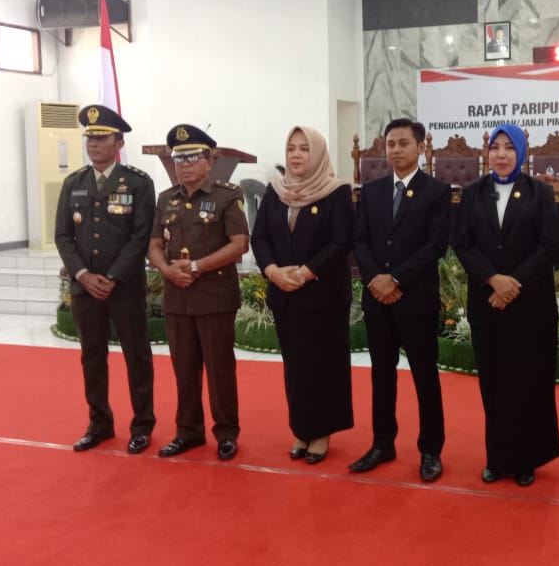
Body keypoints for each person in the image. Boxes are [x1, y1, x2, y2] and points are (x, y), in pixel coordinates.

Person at [452, 123, 559, 486]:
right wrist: (492, 279)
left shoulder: (540, 192)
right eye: (495, 147)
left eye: (509, 148)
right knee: (494, 383)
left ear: (521, 152)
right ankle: (497, 458)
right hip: (488, 303)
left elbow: (549, 245)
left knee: (527, 383)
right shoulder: (472, 193)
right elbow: (462, 243)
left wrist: (513, 283)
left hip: (529, 304)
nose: (501, 154)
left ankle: (527, 458)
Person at [351, 118, 451, 482]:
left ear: (421, 148)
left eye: (403, 143)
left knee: (425, 376)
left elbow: (435, 246)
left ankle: (431, 449)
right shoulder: (372, 191)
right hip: (378, 300)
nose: (395, 150)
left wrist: (394, 279)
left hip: (416, 300)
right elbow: (360, 240)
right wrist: (375, 279)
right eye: (390, 144)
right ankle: (383, 443)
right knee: (381, 374)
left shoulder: (437, 192)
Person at [54, 104, 156, 454]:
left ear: (119, 143)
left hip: (124, 288)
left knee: (137, 356)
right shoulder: (74, 183)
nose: (94, 144)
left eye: (101, 138)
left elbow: (141, 237)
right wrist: (83, 275)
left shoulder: (138, 183)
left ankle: (142, 424)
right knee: (92, 357)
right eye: (90, 138)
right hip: (85, 289)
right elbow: (63, 236)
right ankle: (99, 423)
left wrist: (112, 276)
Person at [251, 126, 355, 464]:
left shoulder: (336, 191)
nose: (296, 155)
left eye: (304, 149)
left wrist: (303, 273)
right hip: (286, 295)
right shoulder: (276, 191)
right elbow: (260, 237)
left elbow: (340, 242)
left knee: (324, 366)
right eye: (292, 148)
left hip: (324, 297)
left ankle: (322, 432)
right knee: (296, 367)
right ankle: (302, 428)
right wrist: (272, 271)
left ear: (318, 153)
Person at [148, 124, 249, 461]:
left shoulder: (227, 195)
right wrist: (166, 270)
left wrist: (196, 266)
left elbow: (240, 244)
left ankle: (226, 433)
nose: (185, 164)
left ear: (209, 160)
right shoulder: (167, 199)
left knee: (220, 370)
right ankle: (188, 432)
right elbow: (154, 244)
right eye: (179, 158)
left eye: (192, 157)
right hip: (178, 297)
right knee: (184, 369)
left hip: (214, 296)